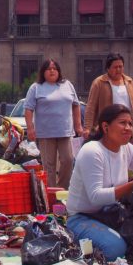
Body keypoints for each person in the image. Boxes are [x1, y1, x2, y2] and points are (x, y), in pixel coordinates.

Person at [66, 104, 133, 263]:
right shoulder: (92, 151)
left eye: (130, 123)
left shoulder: (127, 149)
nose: (128, 128)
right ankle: (78, 243)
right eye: (122, 123)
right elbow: (95, 197)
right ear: (105, 127)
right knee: (116, 250)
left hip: (113, 214)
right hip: (82, 218)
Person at [24, 58, 85, 189]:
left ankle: (62, 189)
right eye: (49, 68)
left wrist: (78, 125)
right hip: (46, 133)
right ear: (43, 72)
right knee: (49, 165)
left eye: (54, 68)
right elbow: (28, 109)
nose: (52, 71)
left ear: (59, 71)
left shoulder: (67, 85)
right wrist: (30, 128)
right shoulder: (36, 87)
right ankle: (51, 193)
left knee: (68, 160)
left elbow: (76, 105)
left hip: (65, 131)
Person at [85, 53, 133, 142]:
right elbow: (91, 107)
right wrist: (87, 128)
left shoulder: (129, 82)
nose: (118, 70)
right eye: (115, 67)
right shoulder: (99, 82)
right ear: (108, 68)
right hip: (108, 128)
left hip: (127, 128)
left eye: (121, 67)